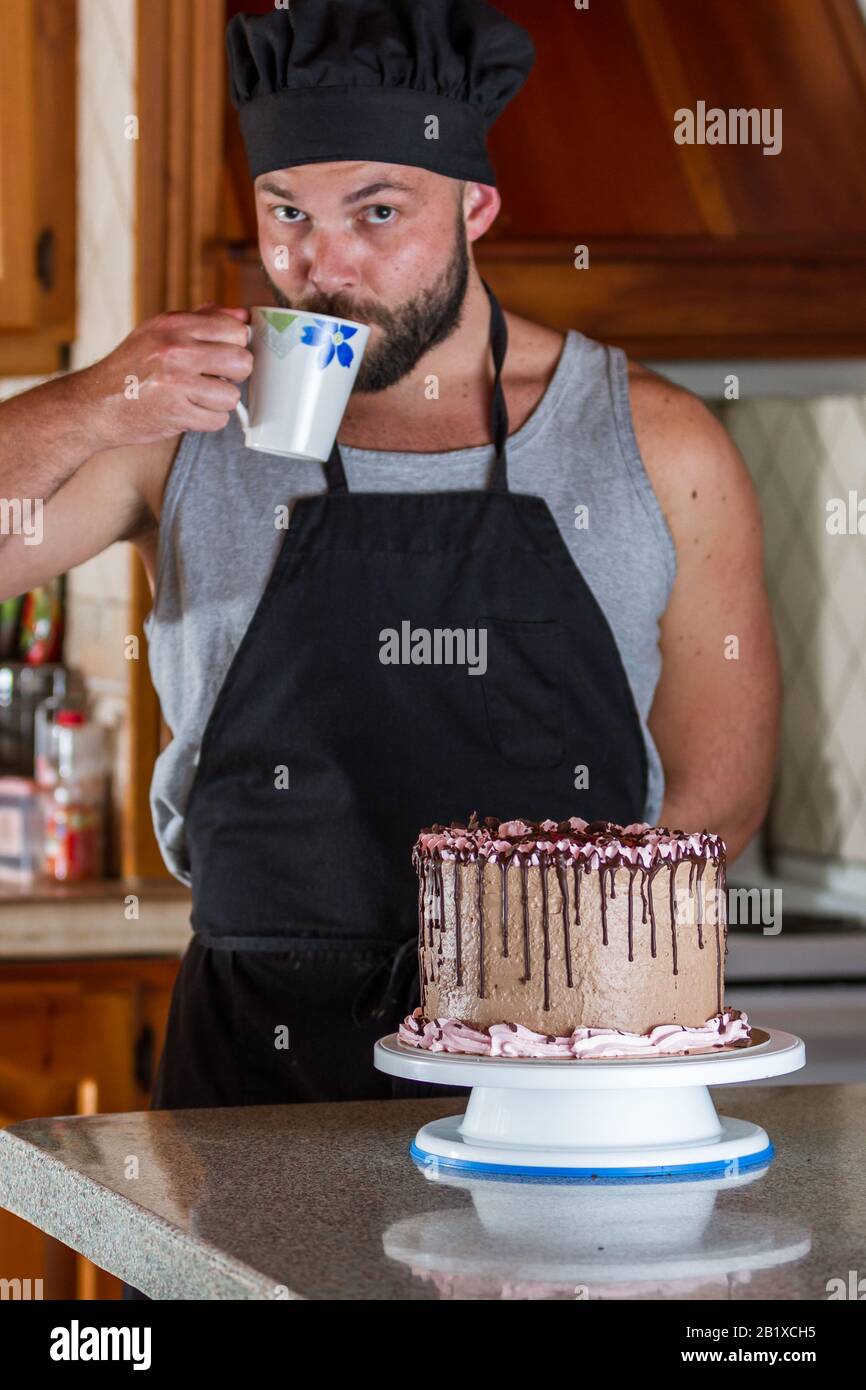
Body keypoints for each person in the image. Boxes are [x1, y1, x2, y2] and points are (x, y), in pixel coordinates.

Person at [0, 0, 780, 1116]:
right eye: (287, 213)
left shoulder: (657, 443)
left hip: (558, 1067)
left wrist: (559, 1001)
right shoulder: (178, 429)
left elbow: (720, 787)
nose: (321, 266)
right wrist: (87, 402)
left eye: (376, 211)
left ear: (476, 206)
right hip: (254, 1069)